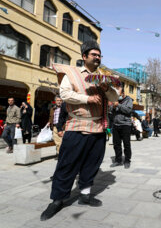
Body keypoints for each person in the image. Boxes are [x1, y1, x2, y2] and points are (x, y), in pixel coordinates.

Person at [40, 40, 119, 221]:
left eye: (100, 55)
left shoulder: (104, 78)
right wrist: (87, 99)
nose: (98, 58)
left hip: (98, 128)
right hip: (76, 125)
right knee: (67, 164)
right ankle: (57, 200)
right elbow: (65, 94)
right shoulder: (71, 73)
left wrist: (107, 88)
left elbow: (115, 98)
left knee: (92, 164)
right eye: (94, 55)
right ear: (84, 57)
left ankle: (85, 195)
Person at [111, 87, 133, 169]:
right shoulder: (115, 100)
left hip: (125, 125)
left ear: (123, 93)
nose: (117, 95)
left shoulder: (129, 100)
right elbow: (110, 111)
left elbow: (128, 110)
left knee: (126, 144)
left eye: (119, 94)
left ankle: (127, 161)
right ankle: (118, 160)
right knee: (116, 144)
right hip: (116, 124)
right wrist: (112, 107)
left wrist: (118, 105)